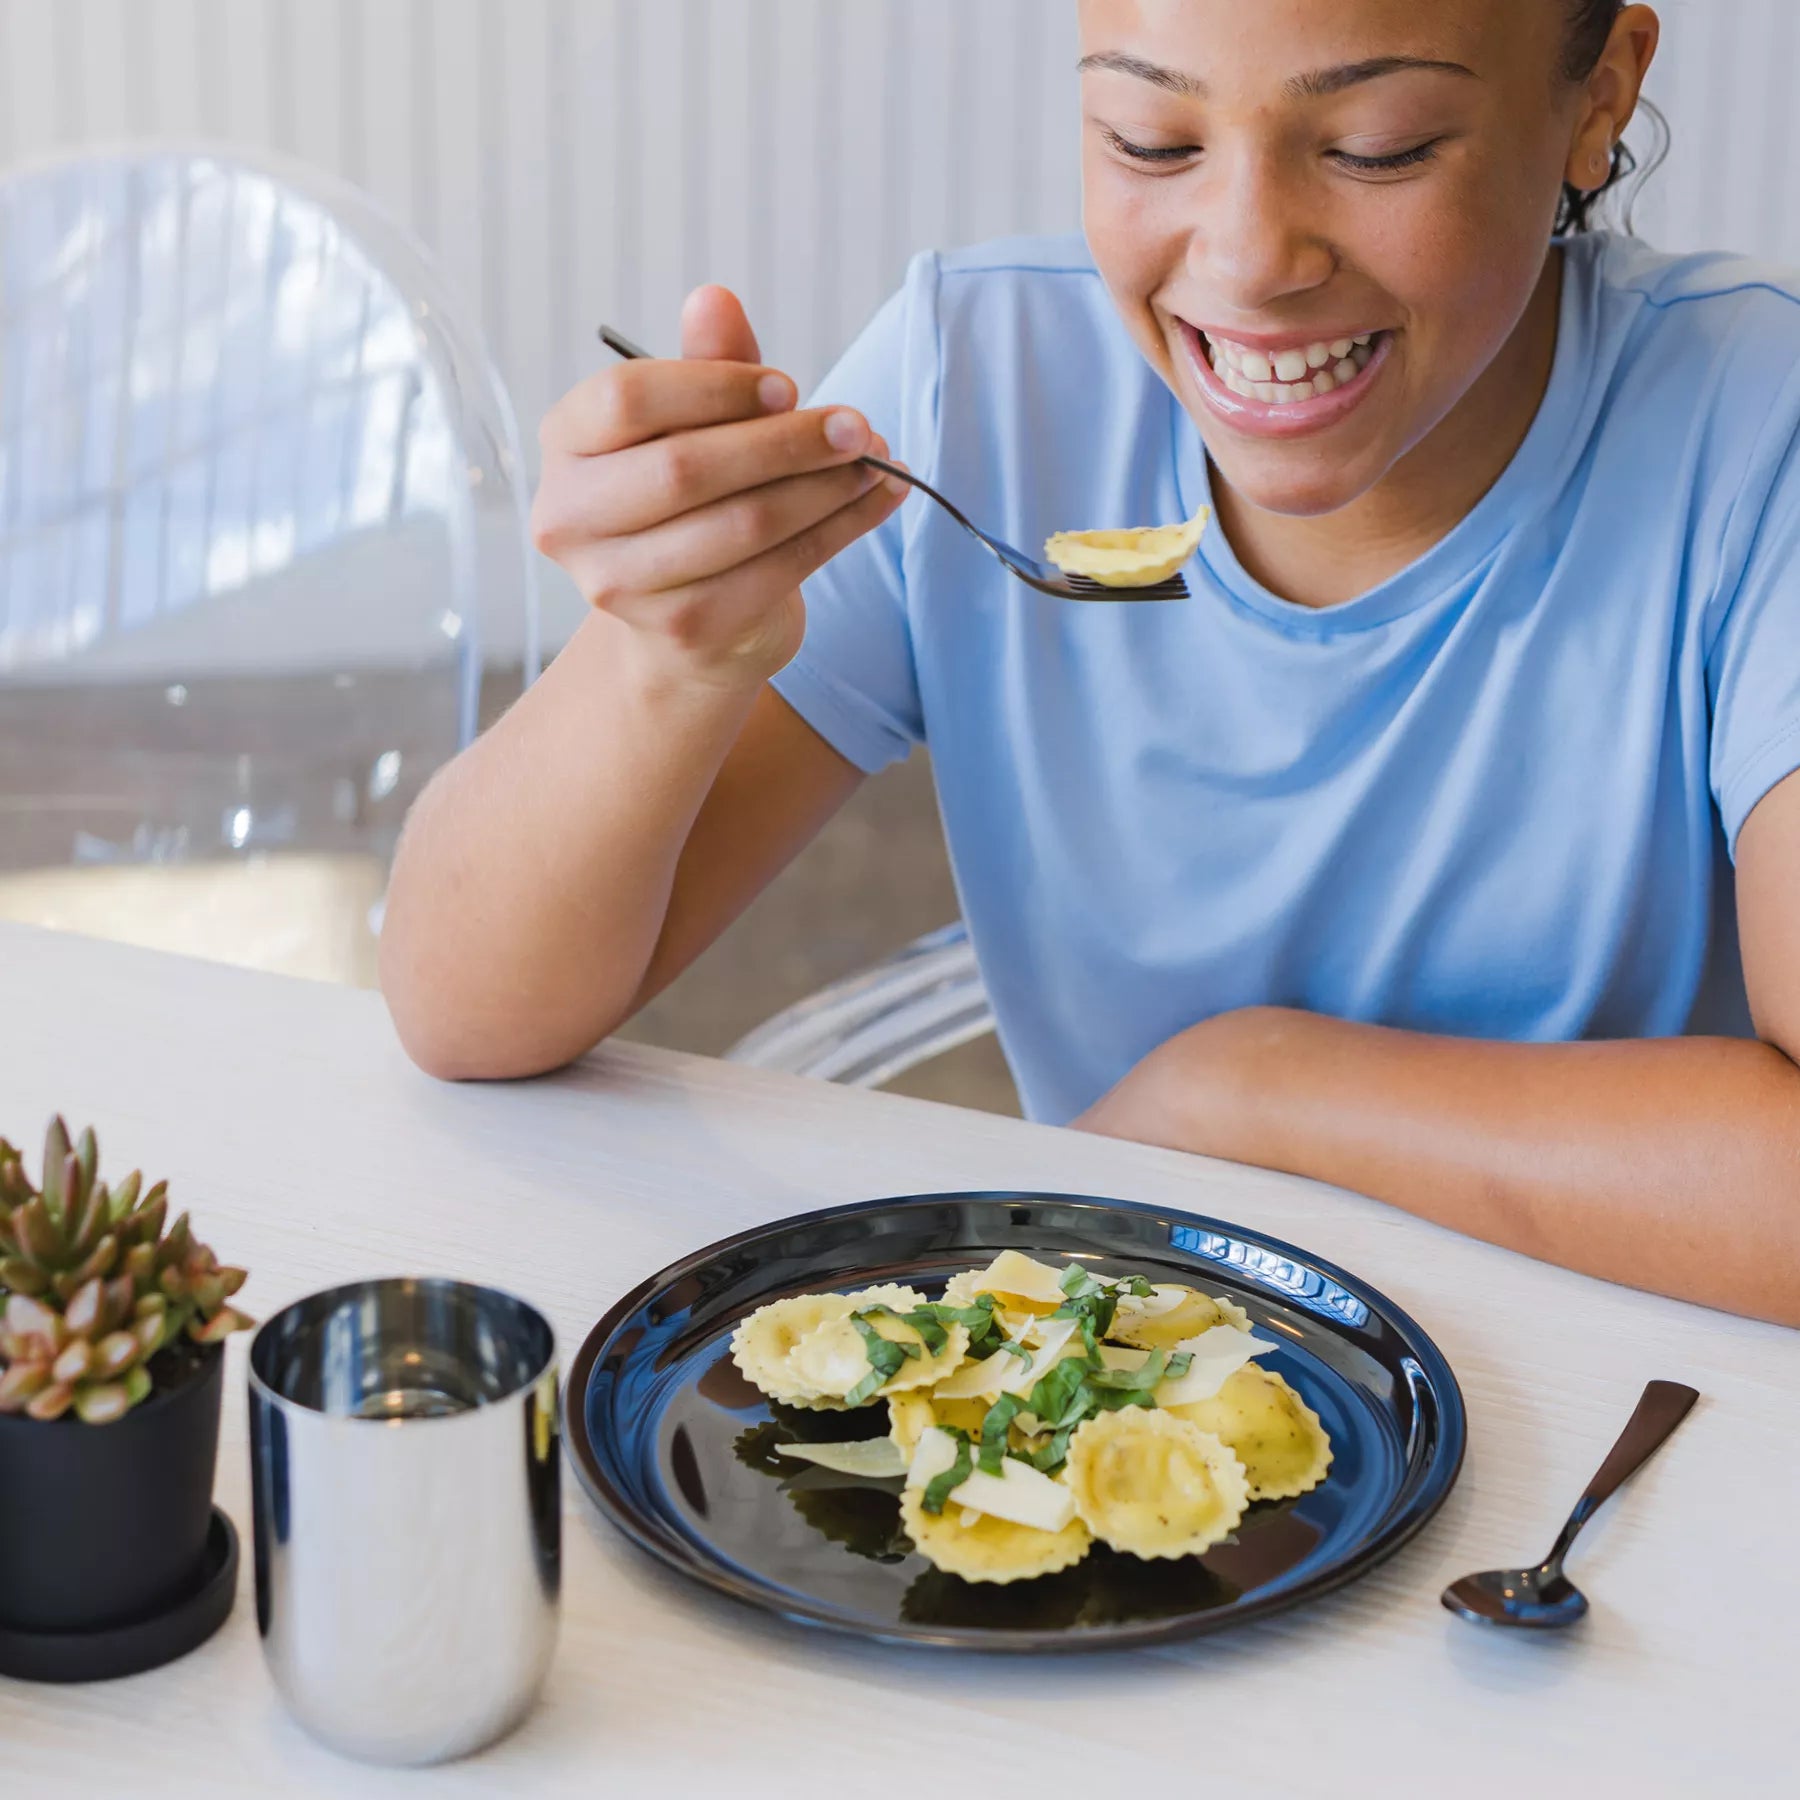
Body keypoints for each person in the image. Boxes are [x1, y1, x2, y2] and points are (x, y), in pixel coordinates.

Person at [379, 2, 1800, 1326]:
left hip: (1633, 1404)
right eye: (1152, 142)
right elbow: (466, 1008)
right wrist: (665, 658)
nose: (1247, 257)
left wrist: (1254, 1094)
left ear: (1599, 95)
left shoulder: (1756, 436)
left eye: (1379, 149)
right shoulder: (978, 383)